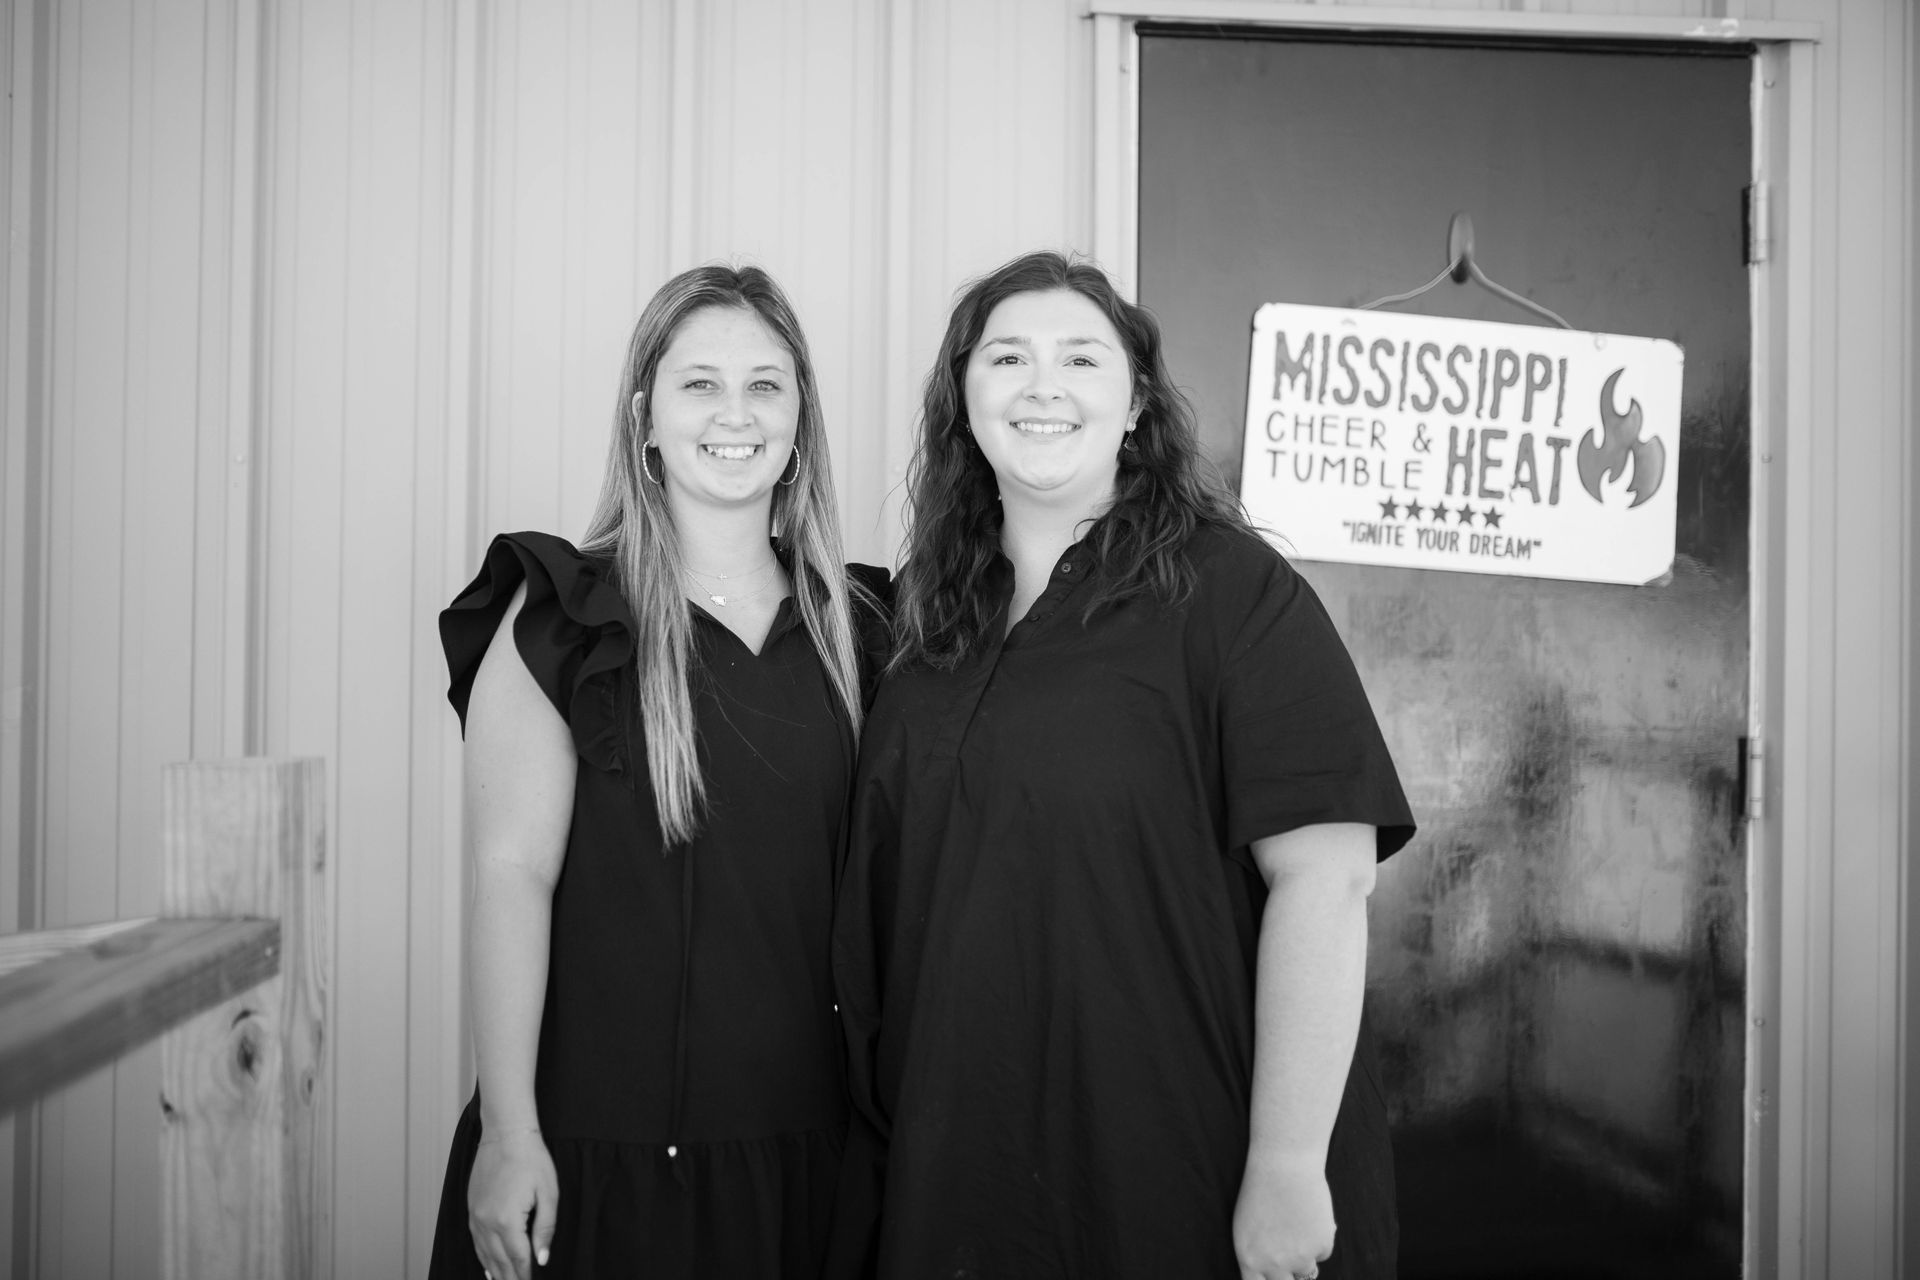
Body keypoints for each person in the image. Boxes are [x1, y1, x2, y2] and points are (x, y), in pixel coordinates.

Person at [829, 251, 1416, 1280]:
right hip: (966, 1176)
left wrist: (1286, 1161)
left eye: (1081, 359)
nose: (1042, 384)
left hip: (1182, 1164)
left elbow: (1326, 878)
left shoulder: (1233, 594)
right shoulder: (926, 627)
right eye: (1007, 355)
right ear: (964, 398)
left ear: (1137, 402)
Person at [427, 264, 886, 1280]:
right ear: (645, 415)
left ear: (801, 417)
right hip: (590, 1165)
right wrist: (510, 1131)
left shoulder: (866, 633)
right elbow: (512, 876)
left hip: (805, 1171)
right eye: (699, 384)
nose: (736, 413)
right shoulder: (562, 618)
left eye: (767, 384)